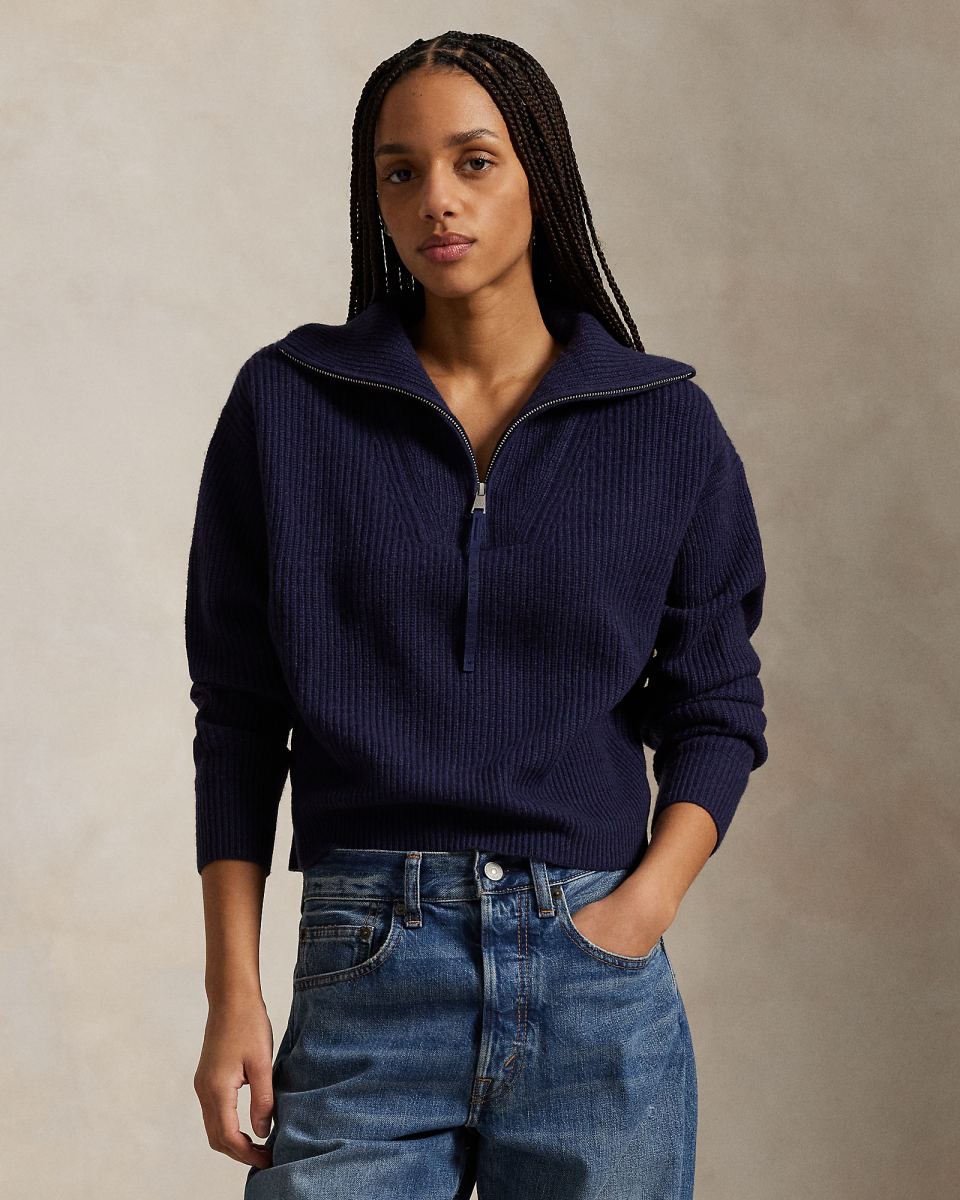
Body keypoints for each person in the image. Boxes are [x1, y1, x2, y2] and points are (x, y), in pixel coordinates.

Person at [187, 31, 767, 1200]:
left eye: (474, 161)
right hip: (368, 961)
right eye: (400, 172)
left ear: (538, 175)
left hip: (593, 970)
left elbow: (716, 707)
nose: (435, 201)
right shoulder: (287, 406)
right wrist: (230, 993)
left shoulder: (666, 425)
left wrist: (641, 909)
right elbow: (239, 718)